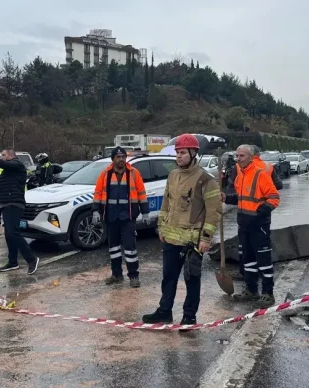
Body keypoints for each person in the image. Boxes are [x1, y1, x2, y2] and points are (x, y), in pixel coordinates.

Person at [142, 134, 222, 327]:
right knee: (168, 278)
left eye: (183, 152)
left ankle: (189, 316)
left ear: (194, 153)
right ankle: (164, 312)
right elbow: (166, 204)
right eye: (177, 153)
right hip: (170, 239)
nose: (179, 156)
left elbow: (214, 212)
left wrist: (205, 238)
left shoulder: (205, 180)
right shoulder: (173, 175)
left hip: (191, 242)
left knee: (191, 280)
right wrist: (161, 227)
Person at [222, 144, 280, 308]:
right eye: (237, 156)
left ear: (251, 157)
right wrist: (226, 197)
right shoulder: (241, 175)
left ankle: (268, 293)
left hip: (259, 225)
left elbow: (274, 198)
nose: (238, 159)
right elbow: (240, 198)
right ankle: (251, 290)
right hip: (244, 224)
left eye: (241, 156)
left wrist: (262, 210)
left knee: (263, 260)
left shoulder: (261, 174)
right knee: (247, 259)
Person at [92, 146, 150, 288]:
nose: (121, 159)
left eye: (123, 157)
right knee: (114, 247)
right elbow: (98, 192)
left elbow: (141, 193)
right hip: (111, 216)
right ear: (113, 159)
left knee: (130, 247)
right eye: (118, 157)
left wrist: (145, 212)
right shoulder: (105, 173)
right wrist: (95, 210)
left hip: (128, 215)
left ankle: (134, 276)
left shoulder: (134, 173)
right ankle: (116, 275)